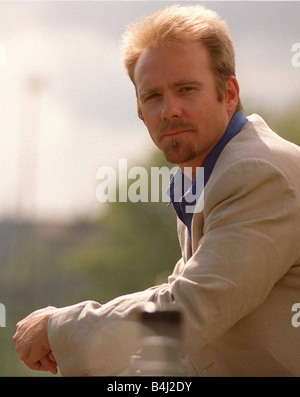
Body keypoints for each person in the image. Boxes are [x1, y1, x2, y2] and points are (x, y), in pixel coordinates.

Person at [13, 5, 300, 377]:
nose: (169, 110)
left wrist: (61, 329)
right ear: (138, 109)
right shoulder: (203, 175)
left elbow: (189, 310)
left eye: (186, 89)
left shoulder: (257, 172)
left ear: (228, 94)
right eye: (153, 96)